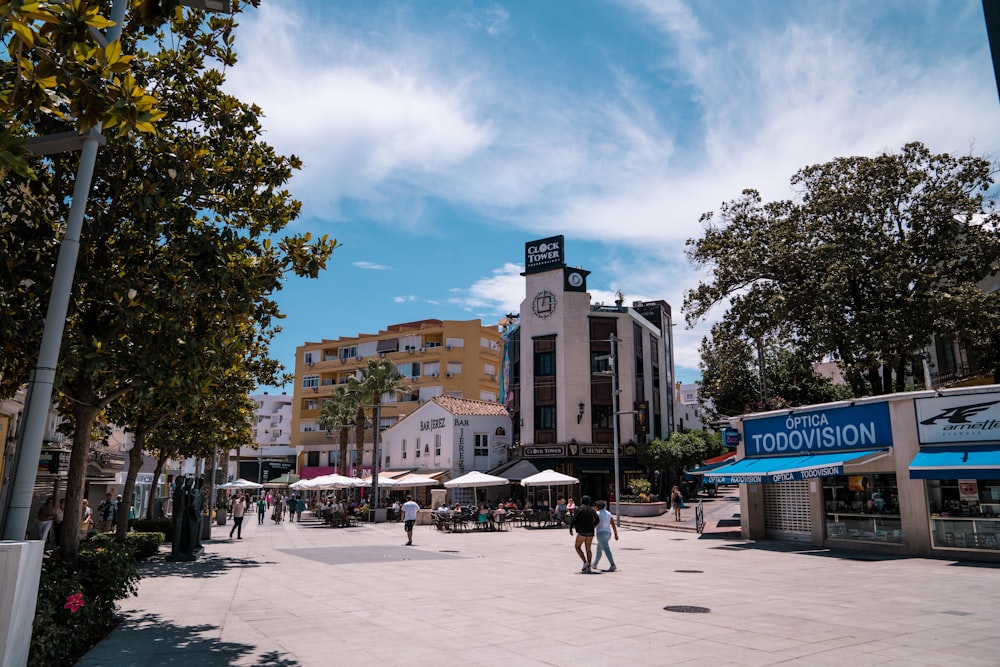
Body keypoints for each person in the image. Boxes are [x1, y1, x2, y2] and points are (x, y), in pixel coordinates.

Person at [569, 495, 599, 573]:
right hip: (590, 532)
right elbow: (597, 519)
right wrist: (594, 525)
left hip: (582, 532)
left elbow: (574, 519)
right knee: (588, 549)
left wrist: (571, 528)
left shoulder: (579, 509)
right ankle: (588, 565)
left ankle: (585, 562)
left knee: (577, 547)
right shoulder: (592, 510)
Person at [592, 499, 619, 572]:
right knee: (599, 549)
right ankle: (595, 564)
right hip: (608, 533)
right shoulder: (608, 513)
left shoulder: (597, 513)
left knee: (606, 549)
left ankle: (612, 564)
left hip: (601, 533)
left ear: (597, 507)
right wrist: (616, 533)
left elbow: (595, 523)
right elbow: (613, 523)